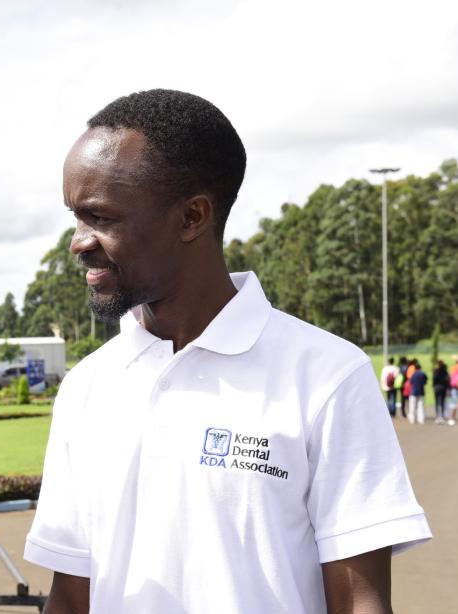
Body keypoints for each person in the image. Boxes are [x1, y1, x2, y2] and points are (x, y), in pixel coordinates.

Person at [24, 89, 431, 613]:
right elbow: (72, 596)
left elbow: (360, 600)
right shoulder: (87, 386)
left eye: (100, 218)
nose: (79, 242)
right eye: (75, 217)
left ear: (193, 217)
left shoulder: (327, 375)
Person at [409, 360, 427, 425]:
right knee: (421, 406)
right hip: (421, 391)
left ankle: (412, 419)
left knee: (412, 406)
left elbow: (410, 382)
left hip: (413, 392)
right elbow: (425, 382)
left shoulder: (413, 374)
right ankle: (421, 419)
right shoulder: (423, 374)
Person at [432, 359, 449, 424]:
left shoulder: (435, 371)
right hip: (443, 388)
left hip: (437, 388)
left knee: (437, 402)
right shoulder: (444, 371)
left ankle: (437, 416)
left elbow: (434, 379)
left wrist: (434, 386)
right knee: (442, 402)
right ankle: (441, 416)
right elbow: (447, 380)